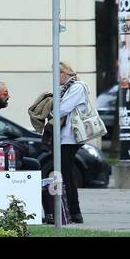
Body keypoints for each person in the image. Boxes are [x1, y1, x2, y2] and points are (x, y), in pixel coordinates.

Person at [54, 62, 89, 224]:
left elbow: (62, 109)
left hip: (70, 137)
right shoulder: (67, 88)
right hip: (64, 137)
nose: (55, 78)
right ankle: (72, 211)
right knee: (65, 173)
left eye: (56, 73)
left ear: (64, 73)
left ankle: (74, 212)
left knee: (66, 174)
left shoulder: (77, 87)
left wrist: (53, 110)